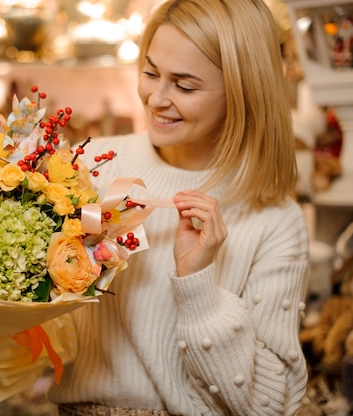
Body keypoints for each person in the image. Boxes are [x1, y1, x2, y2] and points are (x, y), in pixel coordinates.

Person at [48, 0, 310, 414]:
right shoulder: (91, 167)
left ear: (242, 93)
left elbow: (268, 404)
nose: (155, 98)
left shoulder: (275, 221)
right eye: (151, 73)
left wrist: (198, 286)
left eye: (184, 86)